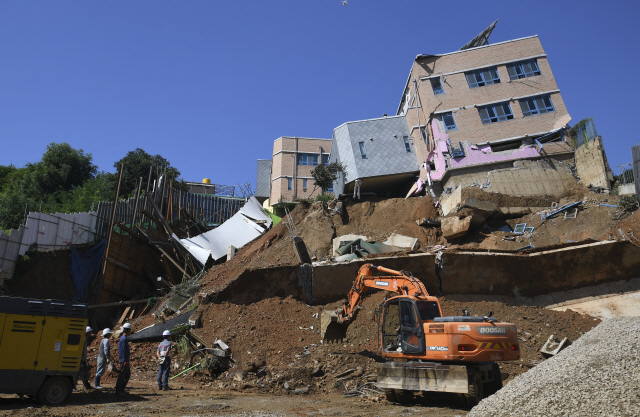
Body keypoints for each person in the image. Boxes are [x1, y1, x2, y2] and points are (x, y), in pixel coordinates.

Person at [115, 323, 132, 396]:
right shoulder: (124, 339)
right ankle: (119, 390)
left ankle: (121, 389)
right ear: (127, 330)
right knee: (122, 375)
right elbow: (123, 351)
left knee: (126, 375)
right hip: (124, 361)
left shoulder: (124, 338)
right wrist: (125, 361)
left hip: (124, 360)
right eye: (130, 330)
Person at [79, 326, 93, 390]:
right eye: (90, 332)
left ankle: (87, 385)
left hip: (83, 359)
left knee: (83, 372)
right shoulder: (84, 339)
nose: (91, 333)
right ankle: (87, 386)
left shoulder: (85, 339)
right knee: (83, 372)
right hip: (82, 359)